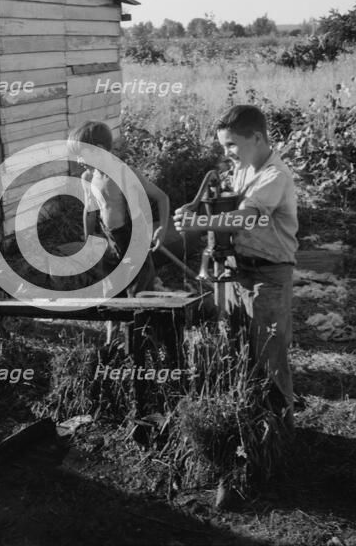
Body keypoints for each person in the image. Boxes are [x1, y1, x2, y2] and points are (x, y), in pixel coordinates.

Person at [174, 104, 298, 431]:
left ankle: (282, 433)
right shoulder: (243, 169)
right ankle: (255, 423)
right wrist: (196, 205)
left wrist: (199, 221)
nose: (227, 153)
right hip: (240, 270)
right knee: (241, 345)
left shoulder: (274, 176)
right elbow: (225, 201)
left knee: (270, 356)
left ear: (256, 137)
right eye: (223, 146)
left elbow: (248, 217)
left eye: (231, 145)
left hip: (270, 274)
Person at [67, 121, 170, 344]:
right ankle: (111, 343)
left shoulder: (125, 174)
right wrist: (88, 244)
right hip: (111, 243)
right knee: (110, 295)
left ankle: (141, 345)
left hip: (134, 243)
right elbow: (90, 210)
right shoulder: (88, 178)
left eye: (82, 155)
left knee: (139, 300)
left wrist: (161, 228)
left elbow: (161, 197)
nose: (78, 161)